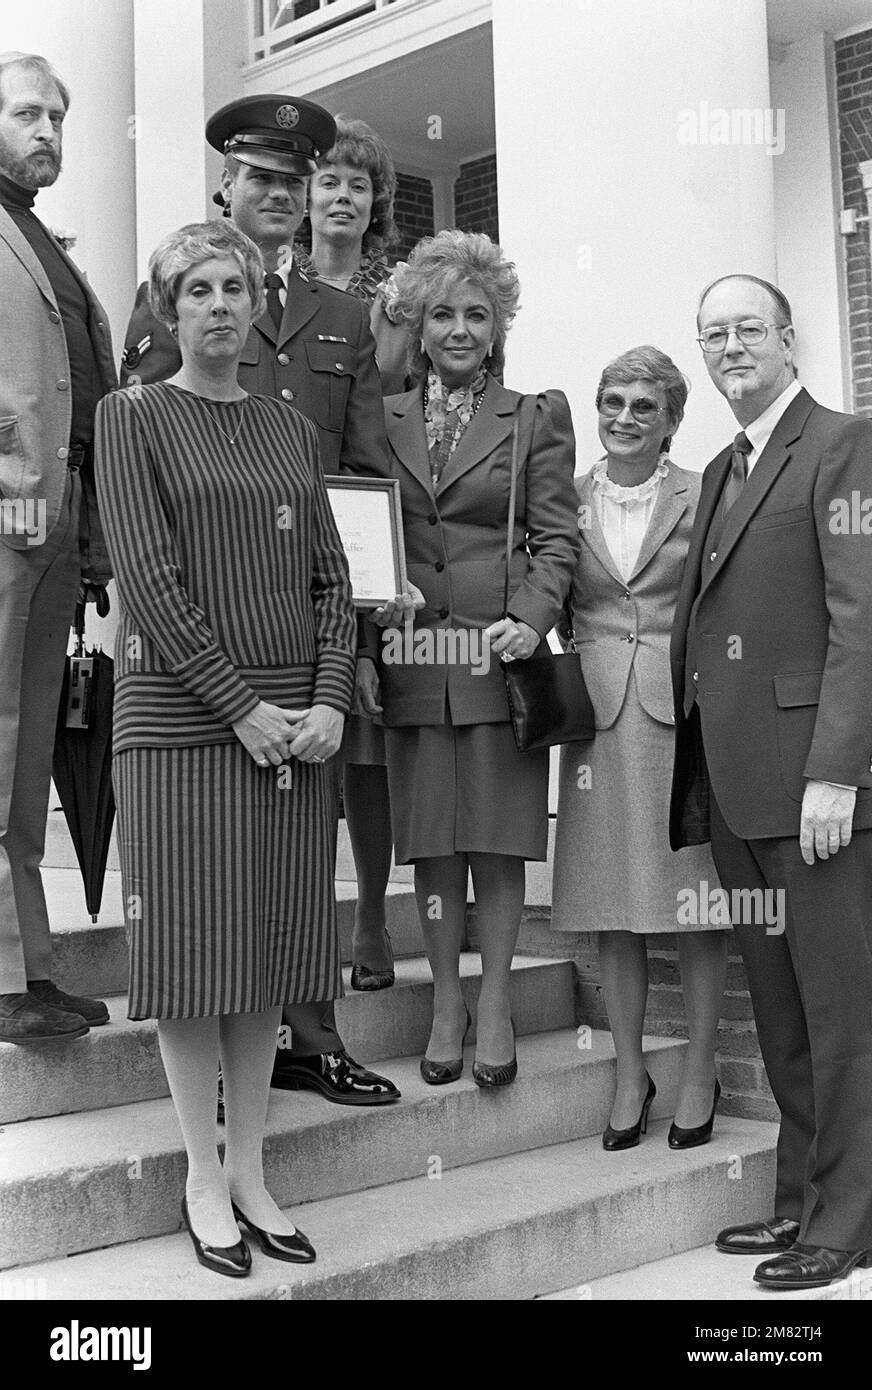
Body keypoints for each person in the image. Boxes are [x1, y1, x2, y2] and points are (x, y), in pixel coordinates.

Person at [119, 96, 400, 1107]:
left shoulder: (345, 317)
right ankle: (218, 1052)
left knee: (294, 856)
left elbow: (365, 478)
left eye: (295, 181)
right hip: (196, 644)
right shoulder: (179, 295)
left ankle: (308, 1034)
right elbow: (143, 473)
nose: (279, 196)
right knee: (206, 871)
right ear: (226, 188)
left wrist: (355, 635)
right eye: (263, 180)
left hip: (302, 625)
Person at [96, 220, 357, 1276]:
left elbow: (334, 583)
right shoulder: (131, 418)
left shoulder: (291, 430)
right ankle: (202, 1175)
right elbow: (150, 580)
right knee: (196, 959)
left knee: (268, 953)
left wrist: (329, 699)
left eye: (233, 287)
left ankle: (252, 1168)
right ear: (166, 310)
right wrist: (241, 707)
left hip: (294, 730)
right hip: (178, 727)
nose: (216, 304)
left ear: (257, 307)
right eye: (194, 289)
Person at [670, 273, 872, 1291]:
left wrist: (837, 771)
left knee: (842, 1015)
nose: (730, 345)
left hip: (814, 797)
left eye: (748, 327)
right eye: (713, 333)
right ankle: (798, 1200)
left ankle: (845, 1222)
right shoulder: (719, 467)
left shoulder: (842, 443)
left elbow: (860, 619)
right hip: (738, 797)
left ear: (788, 340)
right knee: (782, 1011)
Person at [364, 230, 579, 1087]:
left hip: (497, 657)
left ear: (499, 326)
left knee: (495, 844)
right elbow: (361, 535)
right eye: (443, 313)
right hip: (414, 653)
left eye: (477, 315)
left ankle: (495, 1002)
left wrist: (532, 616)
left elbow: (557, 538)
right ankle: (445, 999)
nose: (459, 329)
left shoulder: (535, 417)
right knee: (433, 846)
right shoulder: (379, 420)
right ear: (417, 325)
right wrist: (378, 615)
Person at [551, 347, 727, 1150]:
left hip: (682, 713)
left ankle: (699, 1067)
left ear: (673, 421)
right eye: (611, 401)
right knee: (610, 908)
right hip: (594, 719)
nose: (623, 417)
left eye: (642, 406)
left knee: (694, 905)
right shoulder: (565, 497)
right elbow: (550, 590)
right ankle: (628, 1069)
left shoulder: (708, 492)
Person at [0, 51, 116, 1045]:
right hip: (9, 524)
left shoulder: (48, 244)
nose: (46, 132)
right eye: (27, 114)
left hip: (57, 534)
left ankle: (30, 970)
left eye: (57, 119)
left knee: (28, 751)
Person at [297, 115, 407, 992]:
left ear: (377, 205)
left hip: (366, 541)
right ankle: (302, 919)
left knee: (362, 749)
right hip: (275, 537)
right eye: (328, 181)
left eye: (357, 185)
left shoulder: (398, 302)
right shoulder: (268, 285)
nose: (341, 197)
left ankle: (370, 913)